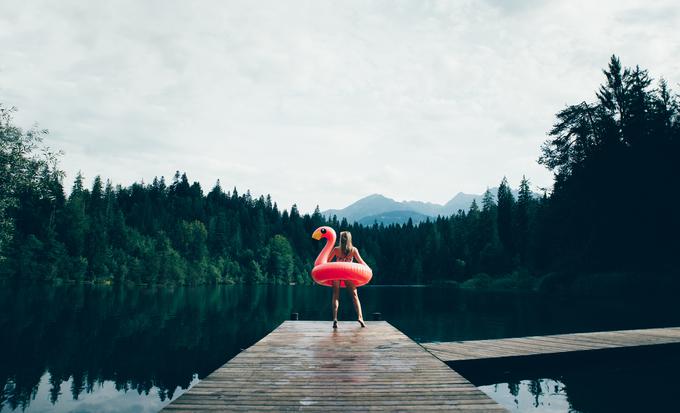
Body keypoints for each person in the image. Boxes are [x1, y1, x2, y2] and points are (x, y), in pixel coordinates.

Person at [326, 231, 367, 329]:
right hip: (348, 274)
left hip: (337, 273)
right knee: (355, 295)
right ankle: (360, 317)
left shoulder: (336, 249)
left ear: (341, 239)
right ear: (350, 239)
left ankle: (335, 318)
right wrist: (368, 269)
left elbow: (327, 261)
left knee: (335, 295)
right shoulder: (353, 250)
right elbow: (361, 262)